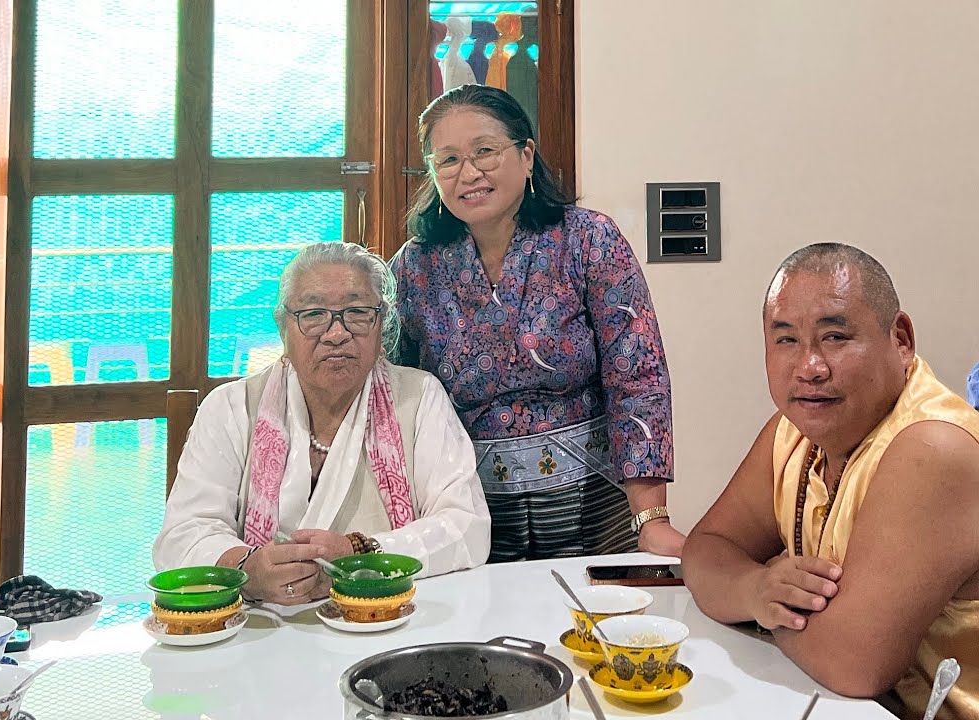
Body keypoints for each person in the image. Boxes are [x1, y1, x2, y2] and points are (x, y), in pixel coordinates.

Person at [683, 244, 979, 719]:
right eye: (786, 340)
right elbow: (705, 549)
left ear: (901, 339)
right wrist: (757, 589)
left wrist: (767, 607)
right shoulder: (793, 433)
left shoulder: (935, 445)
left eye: (835, 337)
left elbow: (855, 661)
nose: (810, 367)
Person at [391, 84, 684, 561]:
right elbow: (395, 393)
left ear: (526, 155)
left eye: (485, 151)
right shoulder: (414, 266)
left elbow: (638, 378)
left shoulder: (588, 239)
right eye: (448, 160)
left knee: (592, 608)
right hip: (467, 512)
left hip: (595, 502)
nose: (469, 172)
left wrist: (651, 519)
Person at [153, 242, 491, 604]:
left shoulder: (419, 397)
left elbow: (466, 526)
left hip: (384, 616)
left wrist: (360, 554)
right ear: (283, 328)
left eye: (357, 312)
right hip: (261, 620)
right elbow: (183, 534)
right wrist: (247, 570)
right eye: (313, 314)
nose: (336, 334)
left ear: (382, 323)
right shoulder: (231, 407)